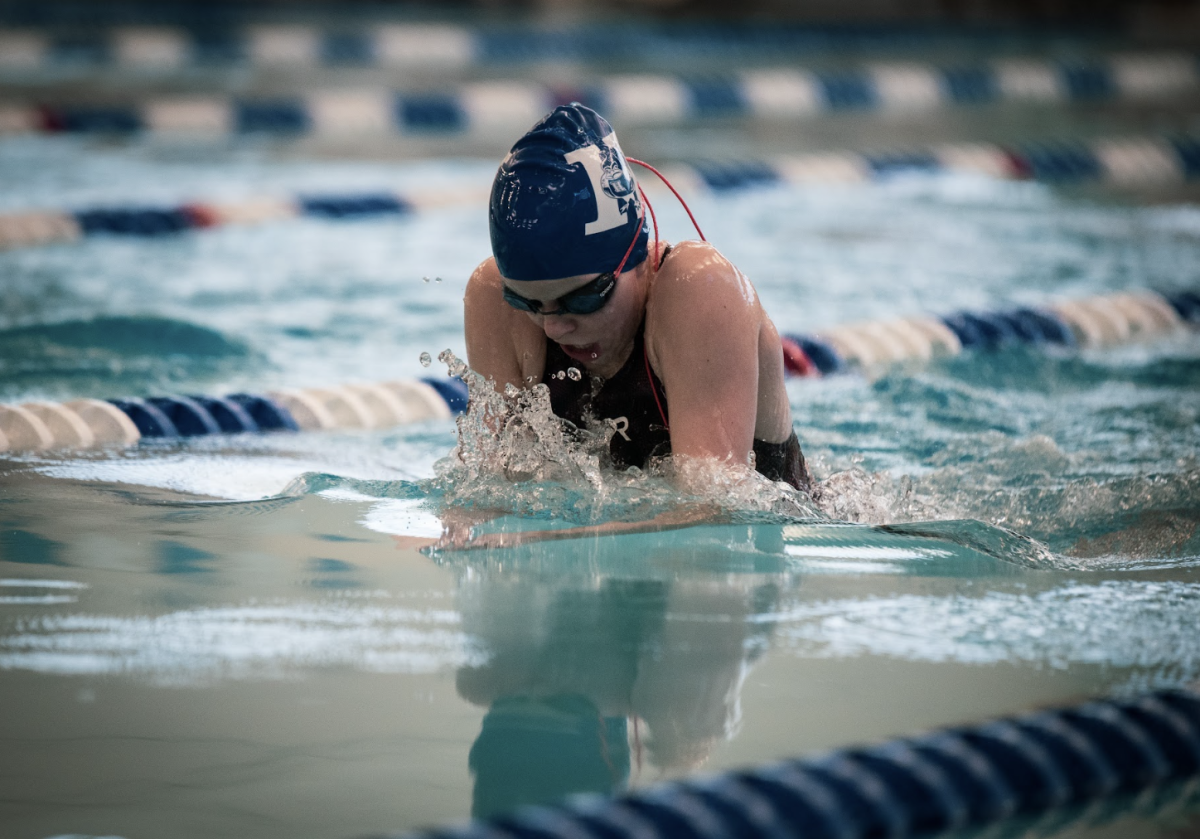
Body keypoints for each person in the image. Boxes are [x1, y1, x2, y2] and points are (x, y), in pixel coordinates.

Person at [464, 103, 814, 496]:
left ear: (636, 254)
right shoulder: (494, 298)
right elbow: (492, 490)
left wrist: (553, 537)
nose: (553, 327)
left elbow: (712, 512)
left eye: (581, 300)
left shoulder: (700, 290)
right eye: (528, 302)